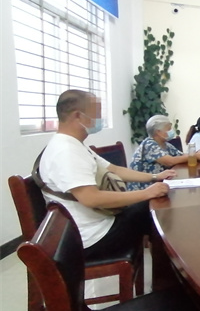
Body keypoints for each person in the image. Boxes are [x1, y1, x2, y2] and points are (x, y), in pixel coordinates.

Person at [38, 90, 176, 258]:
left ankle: (166, 269)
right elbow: (91, 198)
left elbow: (114, 169)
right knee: (157, 209)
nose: (100, 119)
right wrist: (146, 193)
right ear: (78, 116)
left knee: (156, 206)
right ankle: (169, 271)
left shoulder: (75, 145)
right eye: (96, 114)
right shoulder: (66, 151)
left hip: (100, 222)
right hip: (91, 237)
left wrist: (155, 177)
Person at [129, 115, 200, 190]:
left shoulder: (165, 144)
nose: (171, 131)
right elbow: (169, 161)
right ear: (158, 132)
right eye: (169, 128)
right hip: (144, 189)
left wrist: (196, 154)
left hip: (160, 185)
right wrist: (194, 156)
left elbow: (181, 155)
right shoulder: (149, 144)